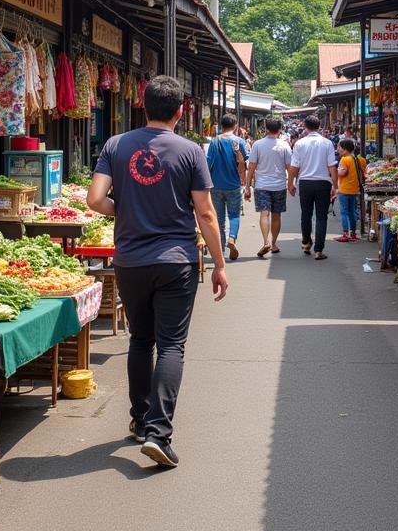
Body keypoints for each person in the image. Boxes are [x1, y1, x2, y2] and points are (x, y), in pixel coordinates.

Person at [88, 75, 228, 469]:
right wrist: (219, 264)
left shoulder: (116, 145)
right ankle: (158, 433)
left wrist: (125, 209)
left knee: (139, 340)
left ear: (143, 106)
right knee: (171, 346)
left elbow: (95, 199)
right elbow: (205, 212)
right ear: (181, 111)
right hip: (176, 261)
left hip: (130, 260)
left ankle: (139, 418)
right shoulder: (190, 151)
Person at [288, 115, 338, 260]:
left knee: (306, 214)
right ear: (319, 126)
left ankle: (305, 242)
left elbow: (294, 166)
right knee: (322, 217)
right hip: (323, 183)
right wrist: (335, 186)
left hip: (305, 183)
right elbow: (332, 166)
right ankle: (319, 250)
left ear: (305, 127)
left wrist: (290, 183)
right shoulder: (327, 143)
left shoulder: (299, 143)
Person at [244, 116, 292, 257]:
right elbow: (289, 167)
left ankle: (266, 242)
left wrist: (247, 186)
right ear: (280, 129)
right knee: (276, 216)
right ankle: (274, 243)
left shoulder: (258, 144)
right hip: (279, 185)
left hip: (262, 185)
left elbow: (251, 167)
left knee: (264, 214)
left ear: (266, 127)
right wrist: (291, 184)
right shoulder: (284, 145)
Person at [206, 113, 248, 261]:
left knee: (219, 220)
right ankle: (232, 238)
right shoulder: (239, 141)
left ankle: (221, 251)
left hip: (215, 186)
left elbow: (208, 164)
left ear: (221, 126)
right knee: (234, 215)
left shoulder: (214, 142)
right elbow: (244, 164)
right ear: (235, 125)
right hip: (234, 186)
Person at [335, 138, 367, 242]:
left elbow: (341, 173)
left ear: (344, 149)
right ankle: (353, 233)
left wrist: (336, 170)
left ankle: (345, 233)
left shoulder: (345, 160)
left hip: (344, 189)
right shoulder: (361, 159)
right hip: (355, 189)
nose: (338, 149)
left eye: (339, 147)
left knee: (344, 212)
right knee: (352, 211)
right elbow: (365, 173)